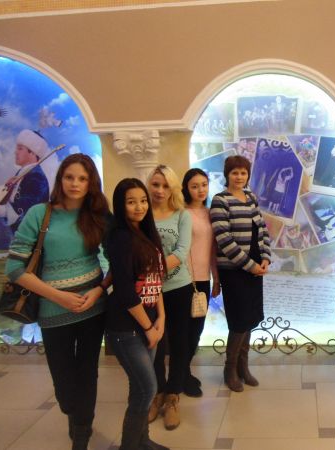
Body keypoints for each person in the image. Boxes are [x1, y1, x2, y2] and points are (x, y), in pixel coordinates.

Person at [4, 153, 110, 450]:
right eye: (69, 177)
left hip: (92, 309)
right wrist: (57, 296)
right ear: (60, 179)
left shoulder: (98, 217)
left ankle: (82, 433)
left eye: (82, 179)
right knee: (64, 381)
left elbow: (114, 262)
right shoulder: (40, 213)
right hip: (53, 310)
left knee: (87, 372)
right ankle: (74, 414)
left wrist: (98, 290)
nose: (75, 183)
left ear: (91, 183)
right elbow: (14, 268)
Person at [105, 178, 169, 450]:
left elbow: (156, 281)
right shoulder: (120, 237)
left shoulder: (146, 234)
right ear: (120, 206)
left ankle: (142, 441)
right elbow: (125, 291)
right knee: (147, 389)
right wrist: (148, 328)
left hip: (149, 321)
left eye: (143, 201)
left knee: (139, 387)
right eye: (131, 202)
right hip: (126, 327)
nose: (139, 207)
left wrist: (161, 318)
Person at [210, 155, 271, 392]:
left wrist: (265, 257)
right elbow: (224, 239)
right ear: (227, 174)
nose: (239, 177)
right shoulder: (220, 200)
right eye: (234, 172)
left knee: (251, 317)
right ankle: (230, 369)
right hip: (234, 270)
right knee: (238, 320)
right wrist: (250, 265)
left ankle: (243, 367)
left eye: (243, 172)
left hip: (255, 267)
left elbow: (262, 230)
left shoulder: (251, 197)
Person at [0, 130, 51, 343]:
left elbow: (29, 211)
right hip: (26, 244)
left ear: (33, 153)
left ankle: (34, 336)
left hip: (33, 245)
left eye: (20, 148)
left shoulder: (35, 177)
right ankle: (30, 335)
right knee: (28, 287)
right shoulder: (23, 175)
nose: (16, 152)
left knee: (31, 287)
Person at [147, 165, 192, 430]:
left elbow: (181, 251)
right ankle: (158, 392)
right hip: (149, 291)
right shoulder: (141, 213)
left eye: (165, 185)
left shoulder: (182, 215)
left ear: (173, 188)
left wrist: (153, 270)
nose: (160, 190)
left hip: (178, 287)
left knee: (178, 342)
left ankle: (173, 395)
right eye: (155, 184)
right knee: (155, 343)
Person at [182, 168, 221, 396]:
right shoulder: (182, 213)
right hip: (185, 281)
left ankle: (183, 371)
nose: (200, 190)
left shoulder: (210, 213)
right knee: (184, 331)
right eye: (194, 186)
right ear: (186, 188)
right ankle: (181, 375)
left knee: (196, 329)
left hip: (203, 280)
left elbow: (213, 250)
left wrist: (216, 278)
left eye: (204, 185)